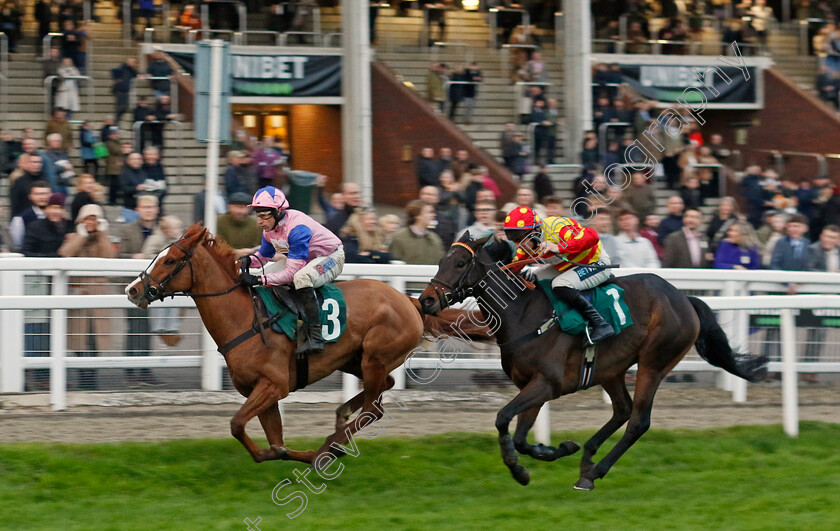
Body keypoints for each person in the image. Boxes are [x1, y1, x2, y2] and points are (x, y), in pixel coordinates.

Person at [240, 186, 345, 355]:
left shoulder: (297, 228)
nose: (259, 221)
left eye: (264, 215)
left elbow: (292, 273)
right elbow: (263, 257)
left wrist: (260, 280)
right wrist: (245, 262)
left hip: (331, 257)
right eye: (257, 214)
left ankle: (315, 335)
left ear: (279, 211)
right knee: (261, 275)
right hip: (306, 259)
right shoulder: (269, 230)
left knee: (301, 278)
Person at [503, 206, 615, 344]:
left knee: (560, 284)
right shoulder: (528, 244)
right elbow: (515, 266)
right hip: (568, 265)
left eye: (519, 240)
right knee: (534, 277)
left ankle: (601, 324)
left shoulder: (557, 227)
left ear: (533, 232)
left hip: (595, 263)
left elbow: (592, 236)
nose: (517, 246)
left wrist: (559, 247)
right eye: (514, 241)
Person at [59, 204, 116, 390]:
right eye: (87, 218)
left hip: (99, 295)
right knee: (79, 338)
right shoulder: (73, 237)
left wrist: (101, 234)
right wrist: (82, 236)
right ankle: (82, 377)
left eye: (94, 219)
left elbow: (109, 256)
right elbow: (64, 254)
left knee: (96, 339)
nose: (90, 222)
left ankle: (93, 379)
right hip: (79, 293)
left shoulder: (103, 239)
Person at [117, 195, 163, 386]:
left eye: (152, 206)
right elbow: (119, 254)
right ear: (137, 209)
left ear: (157, 209)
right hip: (134, 285)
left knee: (148, 328)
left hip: (155, 287)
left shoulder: (163, 230)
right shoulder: (127, 230)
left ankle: (145, 369)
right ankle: (130, 371)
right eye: (145, 206)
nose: (149, 210)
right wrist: (133, 256)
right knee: (134, 327)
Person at [141, 215, 185, 347]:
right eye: (176, 228)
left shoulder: (179, 241)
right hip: (156, 278)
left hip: (172, 280)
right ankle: (158, 327)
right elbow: (147, 253)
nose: (179, 230)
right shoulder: (155, 239)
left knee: (174, 301)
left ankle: (172, 327)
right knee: (157, 301)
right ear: (166, 230)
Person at [389, 200, 445, 265]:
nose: (434, 215)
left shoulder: (435, 239)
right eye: (429, 212)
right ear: (417, 215)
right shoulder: (399, 237)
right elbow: (394, 261)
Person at [10, 181, 51, 250]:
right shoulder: (20, 219)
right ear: (30, 196)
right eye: (38, 194)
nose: (42, 197)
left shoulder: (58, 217)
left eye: (45, 194)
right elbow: (17, 244)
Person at [111, 57, 138, 124]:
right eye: (130, 61)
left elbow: (136, 73)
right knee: (120, 106)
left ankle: (117, 120)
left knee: (125, 106)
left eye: (133, 62)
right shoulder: (122, 68)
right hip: (119, 90)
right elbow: (114, 72)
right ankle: (116, 121)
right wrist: (116, 79)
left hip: (125, 90)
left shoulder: (131, 70)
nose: (131, 63)